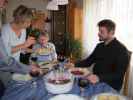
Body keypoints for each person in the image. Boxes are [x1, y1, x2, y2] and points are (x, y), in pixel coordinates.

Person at [72, 19, 130, 91]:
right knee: (74, 87)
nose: (98, 33)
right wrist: (73, 64)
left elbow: (119, 75)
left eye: (101, 31)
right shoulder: (99, 46)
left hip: (110, 86)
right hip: (95, 81)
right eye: (99, 31)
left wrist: (99, 77)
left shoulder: (121, 50)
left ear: (111, 32)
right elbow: (89, 61)